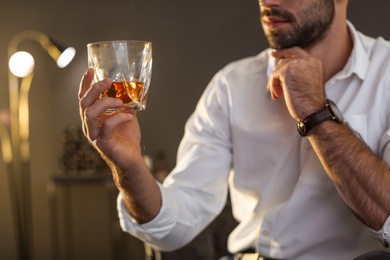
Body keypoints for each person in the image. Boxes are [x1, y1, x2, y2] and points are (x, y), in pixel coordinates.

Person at [78, 0, 390, 259]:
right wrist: (128, 167)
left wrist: (315, 112)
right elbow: (174, 228)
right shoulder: (232, 84)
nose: (268, 2)